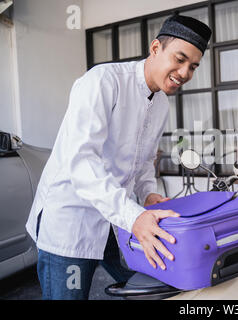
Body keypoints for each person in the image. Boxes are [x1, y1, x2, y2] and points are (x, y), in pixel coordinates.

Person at [25, 13, 212, 300]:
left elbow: (145, 160)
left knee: (155, 284)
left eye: (193, 66)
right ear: (155, 48)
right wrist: (134, 216)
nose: (185, 72)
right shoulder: (102, 81)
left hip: (116, 219)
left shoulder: (160, 102)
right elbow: (82, 161)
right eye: (180, 59)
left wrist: (148, 194)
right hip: (71, 222)